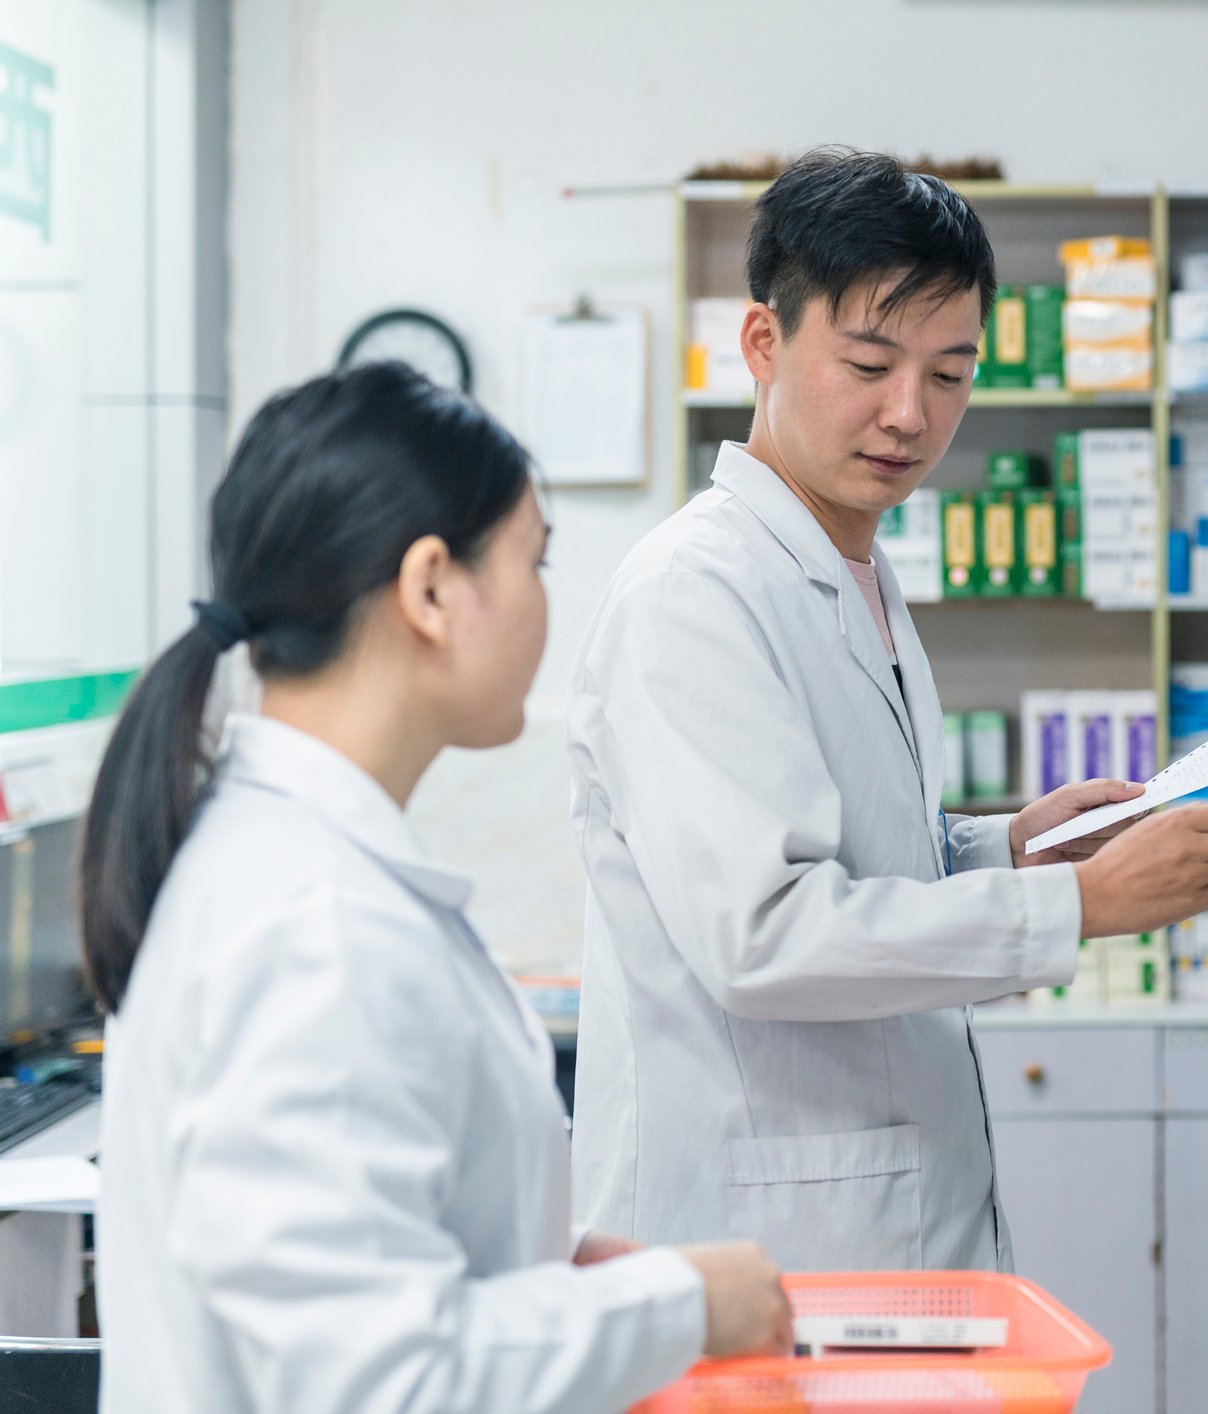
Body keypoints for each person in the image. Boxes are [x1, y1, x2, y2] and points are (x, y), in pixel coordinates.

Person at [568, 148, 1208, 1273]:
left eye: (949, 374)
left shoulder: (855, 569)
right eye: (869, 363)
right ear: (764, 344)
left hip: (871, 1224)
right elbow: (765, 934)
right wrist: (1072, 906)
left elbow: (859, 842)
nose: (909, 414)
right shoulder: (692, 595)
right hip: (759, 1229)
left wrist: (1016, 844)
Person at [83, 362, 793, 1413]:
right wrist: (677, 1302)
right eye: (534, 562)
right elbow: (381, 1377)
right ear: (429, 589)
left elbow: (352, 1255)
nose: (548, 604)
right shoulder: (312, 925)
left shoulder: (300, 869)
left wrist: (550, 1258)